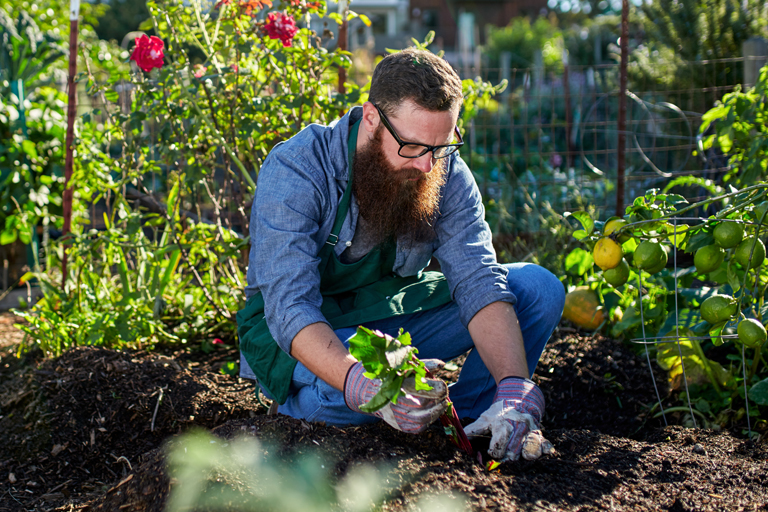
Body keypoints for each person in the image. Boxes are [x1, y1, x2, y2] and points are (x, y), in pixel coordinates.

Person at [236, 48, 565, 462]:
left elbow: (477, 278)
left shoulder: (442, 169)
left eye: (441, 146)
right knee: (347, 396)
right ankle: (298, 413)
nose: (428, 166)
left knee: (537, 289)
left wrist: (514, 386)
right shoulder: (299, 168)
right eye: (412, 146)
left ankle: (472, 425)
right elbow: (290, 307)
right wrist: (360, 382)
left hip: (386, 316)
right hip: (301, 332)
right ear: (371, 118)